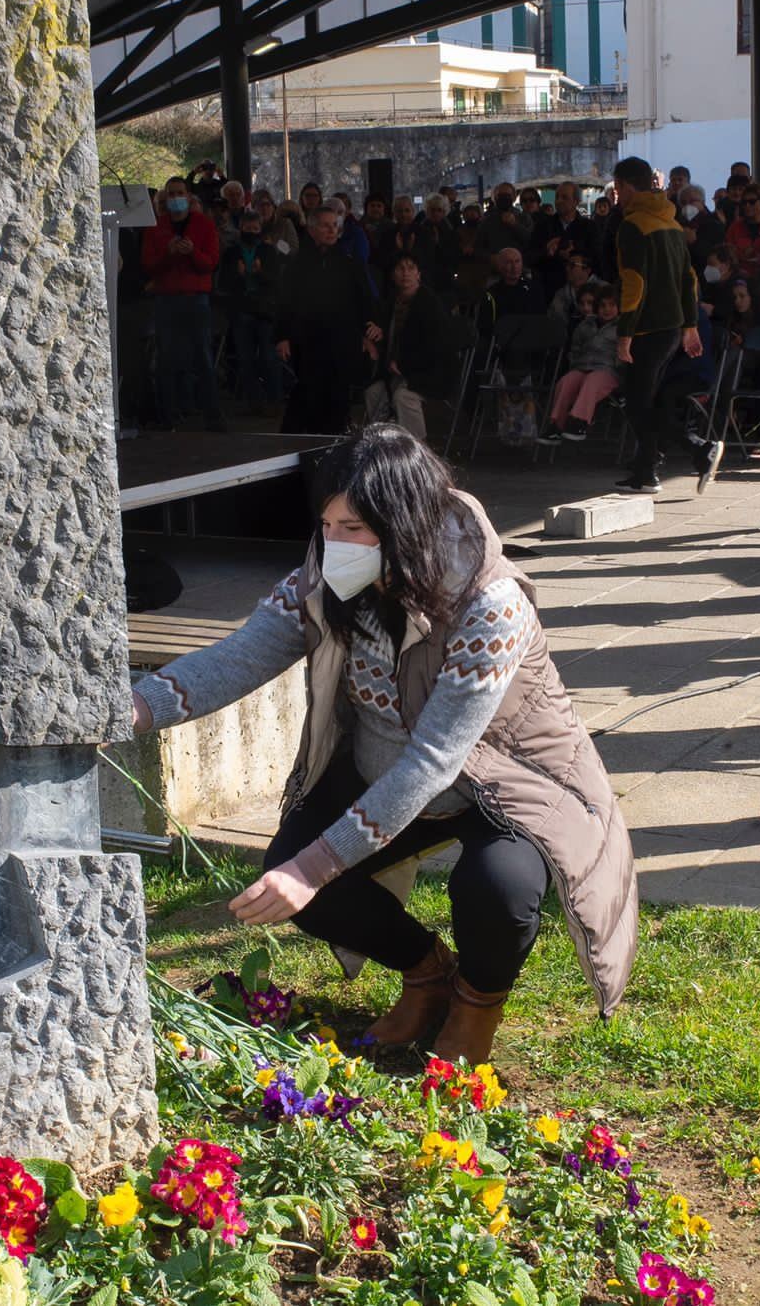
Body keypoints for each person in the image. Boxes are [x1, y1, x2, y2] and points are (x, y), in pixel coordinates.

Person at [129, 427, 639, 1064]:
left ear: (408, 527)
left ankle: (478, 1001)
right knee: (294, 876)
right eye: (327, 524)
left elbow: (435, 758)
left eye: (355, 528)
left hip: (504, 782)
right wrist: (134, 708)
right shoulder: (322, 580)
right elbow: (240, 656)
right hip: (382, 774)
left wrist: (315, 866)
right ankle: (428, 973)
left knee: (496, 892)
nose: (334, 543)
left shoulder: (491, 604)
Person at [611, 156, 704, 493]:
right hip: (672, 327)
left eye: (617, 188)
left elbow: (634, 283)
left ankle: (696, 449)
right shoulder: (672, 224)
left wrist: (625, 334)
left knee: (637, 402)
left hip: (646, 329)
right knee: (645, 400)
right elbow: (688, 279)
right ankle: (646, 468)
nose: (616, 195)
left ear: (625, 186)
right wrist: (690, 325)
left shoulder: (632, 227)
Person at [277, 206, 376, 434]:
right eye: (325, 225)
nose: (331, 230)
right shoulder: (298, 265)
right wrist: (282, 336)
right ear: (312, 229)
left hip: (342, 341)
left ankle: (334, 444)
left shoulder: (349, 263)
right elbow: (285, 303)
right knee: (307, 394)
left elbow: (364, 300)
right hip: (308, 341)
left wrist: (369, 329)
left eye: (335, 225)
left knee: (338, 397)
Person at [140, 177, 225, 431]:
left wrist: (192, 253)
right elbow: (148, 265)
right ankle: (168, 415)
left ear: (188, 197)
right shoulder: (155, 228)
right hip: (167, 299)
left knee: (203, 356)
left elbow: (210, 263)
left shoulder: (204, 225)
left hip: (195, 299)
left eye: (180, 193)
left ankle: (213, 415)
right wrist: (169, 254)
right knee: (166, 358)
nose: (176, 198)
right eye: (172, 194)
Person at [363, 253, 457, 440]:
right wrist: (374, 336)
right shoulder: (391, 302)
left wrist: (404, 364)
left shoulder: (429, 303)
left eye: (411, 268)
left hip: (429, 372)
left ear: (418, 274)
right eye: (400, 268)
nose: (405, 273)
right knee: (373, 393)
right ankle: (381, 446)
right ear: (393, 275)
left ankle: (417, 450)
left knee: (403, 397)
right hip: (397, 372)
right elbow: (380, 331)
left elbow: (436, 347)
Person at [217, 208, 285, 413]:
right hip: (241, 309)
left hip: (264, 310)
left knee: (268, 356)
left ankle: (275, 400)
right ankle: (254, 402)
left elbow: (276, 281)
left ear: (260, 229)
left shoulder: (268, 250)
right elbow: (223, 282)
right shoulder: (231, 252)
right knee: (246, 358)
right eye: (248, 228)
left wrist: (260, 273)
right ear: (241, 228)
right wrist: (237, 275)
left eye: (255, 228)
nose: (252, 231)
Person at [539, 285, 622, 443]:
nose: (607, 310)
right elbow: (575, 348)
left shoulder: (622, 327)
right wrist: (575, 363)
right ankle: (556, 425)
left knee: (592, 381)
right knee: (566, 381)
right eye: (603, 306)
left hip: (608, 371)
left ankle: (579, 421)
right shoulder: (585, 325)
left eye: (612, 305)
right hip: (583, 366)